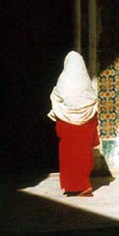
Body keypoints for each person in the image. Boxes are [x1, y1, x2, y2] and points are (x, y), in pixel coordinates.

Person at [48, 51, 99, 197]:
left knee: (69, 155)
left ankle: (73, 186)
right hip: (84, 128)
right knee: (83, 155)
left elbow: (56, 98)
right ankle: (83, 186)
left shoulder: (63, 82)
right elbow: (92, 103)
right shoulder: (86, 85)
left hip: (68, 128)